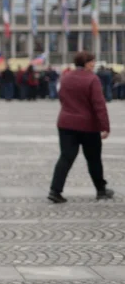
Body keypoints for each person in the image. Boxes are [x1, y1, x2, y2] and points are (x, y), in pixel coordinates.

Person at [48, 51, 113, 203]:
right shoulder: (92, 79)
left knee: (66, 157)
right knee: (94, 159)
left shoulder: (65, 77)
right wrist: (105, 126)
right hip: (88, 126)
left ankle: (55, 190)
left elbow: (61, 96)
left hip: (65, 123)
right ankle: (101, 190)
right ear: (86, 63)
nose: (93, 64)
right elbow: (99, 104)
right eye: (92, 62)